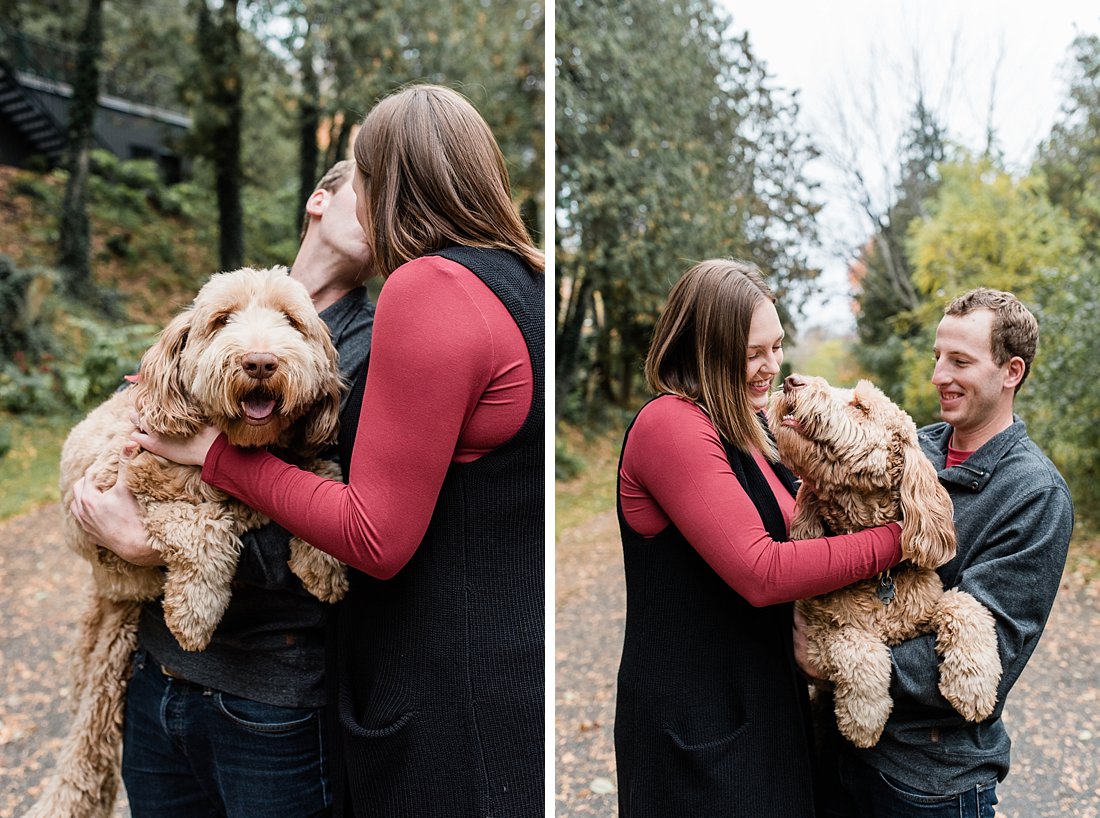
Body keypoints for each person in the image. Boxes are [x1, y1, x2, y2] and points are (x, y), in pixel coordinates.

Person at [131, 84, 545, 817]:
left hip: (422, 687)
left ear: (388, 181)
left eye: (364, 173)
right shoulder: (524, 284)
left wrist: (205, 468)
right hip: (495, 672)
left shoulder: (425, 292)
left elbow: (371, 535)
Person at [69, 158, 375, 817]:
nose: (387, 209)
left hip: (271, 695)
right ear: (320, 199)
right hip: (157, 675)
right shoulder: (233, 304)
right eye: (371, 190)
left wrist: (154, 545)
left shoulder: (370, 349)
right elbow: (138, 437)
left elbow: (353, 531)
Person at [614, 258, 907, 817]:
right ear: (704, 347)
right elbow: (762, 571)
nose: (771, 366)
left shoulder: (754, 425)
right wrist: (897, 541)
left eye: (776, 347)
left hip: (764, 706)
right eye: (753, 353)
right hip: (697, 727)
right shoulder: (670, 426)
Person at [806, 288, 1074, 818]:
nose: (938, 376)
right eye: (937, 358)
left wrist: (825, 661)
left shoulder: (1034, 495)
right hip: (832, 756)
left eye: (960, 361)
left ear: (1011, 370)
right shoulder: (910, 448)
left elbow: (992, 652)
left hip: (928, 782)